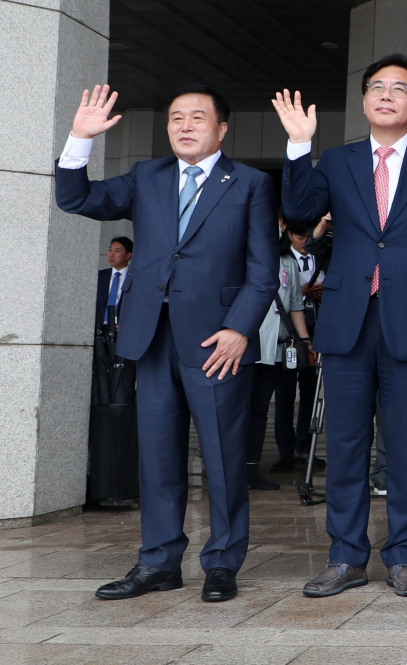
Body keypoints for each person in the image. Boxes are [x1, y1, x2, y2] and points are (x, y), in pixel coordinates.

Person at [57, 83, 277, 604]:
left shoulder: (248, 183)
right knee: (157, 457)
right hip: (151, 336)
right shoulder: (146, 176)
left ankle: (222, 563)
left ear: (221, 128)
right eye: (176, 117)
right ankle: (158, 563)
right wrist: (78, 140)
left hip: (216, 341)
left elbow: (263, 270)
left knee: (223, 457)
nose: (184, 125)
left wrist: (240, 327)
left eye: (197, 117)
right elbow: (76, 198)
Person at [273, 53, 407, 598]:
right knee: (347, 443)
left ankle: (404, 556)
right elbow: (300, 212)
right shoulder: (335, 161)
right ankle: (345, 556)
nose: (386, 94)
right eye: (377, 87)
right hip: (346, 320)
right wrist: (297, 147)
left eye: (399, 88)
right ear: (364, 100)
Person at [246, 227, 311, 491]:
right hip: (244, 344)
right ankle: (229, 468)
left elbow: (295, 305)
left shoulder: (288, 262)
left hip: (274, 348)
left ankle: (251, 469)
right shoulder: (243, 256)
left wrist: (305, 341)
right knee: (237, 408)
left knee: (260, 409)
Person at [272, 222, 324, 472]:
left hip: (314, 331)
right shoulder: (281, 259)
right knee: (284, 394)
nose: (304, 240)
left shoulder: (321, 256)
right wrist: (303, 291)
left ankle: (304, 448)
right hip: (287, 333)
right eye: (299, 236)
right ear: (288, 234)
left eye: (308, 236)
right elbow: (287, 299)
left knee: (310, 393)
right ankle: (286, 450)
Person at [96, 237, 133, 329]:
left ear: (128, 255)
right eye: (110, 250)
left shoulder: (135, 278)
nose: (111, 254)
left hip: (123, 330)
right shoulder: (99, 276)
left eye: (117, 251)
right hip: (99, 329)